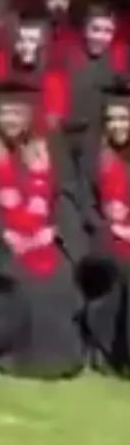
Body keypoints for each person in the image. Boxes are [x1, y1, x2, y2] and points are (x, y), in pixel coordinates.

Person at [0, 75, 87, 378]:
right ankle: (17, 358)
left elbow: (65, 199)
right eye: (5, 113)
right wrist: (2, 234)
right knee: (25, 283)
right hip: (2, 244)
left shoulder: (50, 156)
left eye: (18, 113)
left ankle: (61, 358)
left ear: (29, 116)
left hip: (46, 239)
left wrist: (52, 232)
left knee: (59, 278)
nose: (11, 120)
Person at [75, 78, 130, 375]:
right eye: (111, 120)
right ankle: (108, 353)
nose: (117, 126)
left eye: (124, 119)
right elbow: (85, 204)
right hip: (103, 234)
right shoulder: (92, 158)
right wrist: (112, 228)